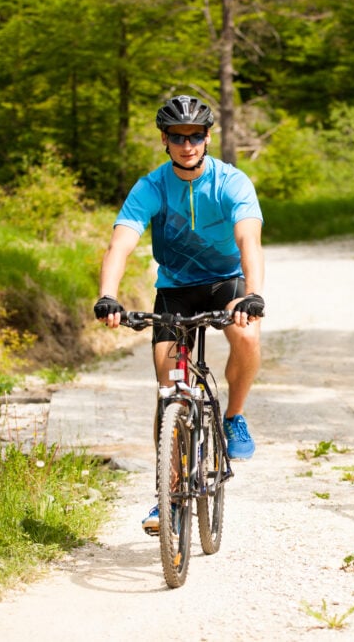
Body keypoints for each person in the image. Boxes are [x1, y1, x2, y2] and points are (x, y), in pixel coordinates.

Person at [94, 94, 264, 533]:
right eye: (177, 136)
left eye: (195, 135)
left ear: (208, 137)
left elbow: (249, 241)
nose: (187, 144)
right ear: (165, 140)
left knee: (246, 335)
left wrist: (254, 294)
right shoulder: (150, 187)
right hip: (174, 291)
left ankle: (234, 418)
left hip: (225, 282)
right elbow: (121, 243)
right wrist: (108, 296)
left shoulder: (231, 182)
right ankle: (166, 499)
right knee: (168, 390)